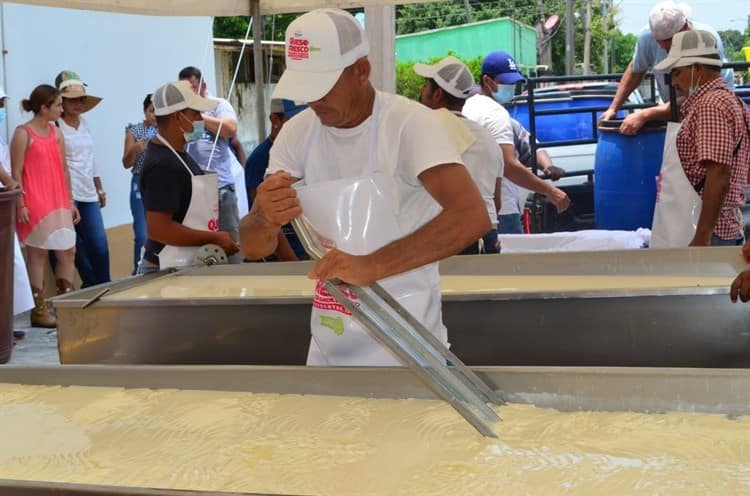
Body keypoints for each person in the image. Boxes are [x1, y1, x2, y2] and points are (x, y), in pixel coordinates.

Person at [239, 9, 489, 366]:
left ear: (361, 70)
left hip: (410, 346)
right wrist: (263, 218)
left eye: (323, 86)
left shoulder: (409, 125)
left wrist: (373, 265)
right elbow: (252, 244)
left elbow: (471, 217)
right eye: (305, 89)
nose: (314, 101)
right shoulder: (297, 135)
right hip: (330, 343)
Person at [650, 30, 750, 247]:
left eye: (676, 72)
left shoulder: (710, 106)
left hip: (704, 230)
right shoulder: (734, 102)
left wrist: (703, 235)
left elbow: (719, 172)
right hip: (717, 227)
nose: (674, 81)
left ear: (696, 67)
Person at [463, 50, 571, 234]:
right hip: (502, 210)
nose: (511, 87)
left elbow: (525, 140)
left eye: (514, 83)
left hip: (470, 207)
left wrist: (547, 166)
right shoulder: (495, 114)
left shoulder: (469, 106)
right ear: (487, 81)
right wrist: (550, 191)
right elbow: (508, 165)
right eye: (506, 82)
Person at [137, 80, 239, 274]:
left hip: (186, 264)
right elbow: (159, 229)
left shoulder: (179, 155)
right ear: (178, 117)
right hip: (165, 269)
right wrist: (214, 238)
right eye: (196, 114)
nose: (201, 119)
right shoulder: (162, 164)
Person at [600, 1, 734, 135]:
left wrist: (645, 115)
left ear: (685, 27)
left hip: (712, 111)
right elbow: (636, 69)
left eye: (670, 40)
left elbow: (697, 98)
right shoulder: (646, 36)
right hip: (674, 113)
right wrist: (613, 108)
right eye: (658, 40)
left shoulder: (706, 41)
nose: (663, 46)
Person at [414, 56, 504, 254]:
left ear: (437, 94)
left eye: (425, 86)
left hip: (443, 237)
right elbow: (496, 203)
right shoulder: (488, 139)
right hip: (486, 237)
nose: (421, 91)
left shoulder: (424, 129)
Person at [11, 85, 79, 328]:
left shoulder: (56, 133)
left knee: (68, 250)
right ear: (43, 107)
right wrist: (20, 204)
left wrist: (70, 201)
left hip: (58, 198)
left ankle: (65, 304)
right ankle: (39, 310)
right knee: (39, 252)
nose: (62, 109)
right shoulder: (23, 134)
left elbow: (63, 168)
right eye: (58, 105)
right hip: (35, 199)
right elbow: (16, 172)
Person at [178, 66, 242, 263]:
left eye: (192, 88)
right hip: (195, 188)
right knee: (201, 244)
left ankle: (238, 281)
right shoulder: (183, 110)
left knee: (229, 239)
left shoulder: (218, 105)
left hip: (220, 187)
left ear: (203, 85)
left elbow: (230, 129)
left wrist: (199, 117)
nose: (189, 94)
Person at [55, 70, 110, 288]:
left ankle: (105, 286)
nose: (78, 104)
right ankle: (90, 284)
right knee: (72, 246)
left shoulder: (84, 124)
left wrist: (100, 188)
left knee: (99, 244)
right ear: (62, 102)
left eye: (81, 100)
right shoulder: (55, 126)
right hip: (67, 194)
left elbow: (91, 159)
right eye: (72, 100)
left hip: (88, 192)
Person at [245, 98, 308, 261]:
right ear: (274, 119)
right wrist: (292, 262)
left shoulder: (301, 152)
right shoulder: (260, 158)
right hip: (279, 255)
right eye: (292, 120)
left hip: (305, 248)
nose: (300, 125)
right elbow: (263, 215)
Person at [0, 87, 34, 334]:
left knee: (9, 261)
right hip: (4, 196)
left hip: (4, 200)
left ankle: (6, 323)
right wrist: (12, 183)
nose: (2, 109)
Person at [122, 93, 157, 274]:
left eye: (158, 111)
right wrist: (135, 149)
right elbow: (126, 163)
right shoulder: (134, 131)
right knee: (142, 234)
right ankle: (138, 273)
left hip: (161, 184)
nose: (155, 115)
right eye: (151, 111)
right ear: (144, 112)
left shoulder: (167, 131)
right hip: (140, 182)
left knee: (159, 231)